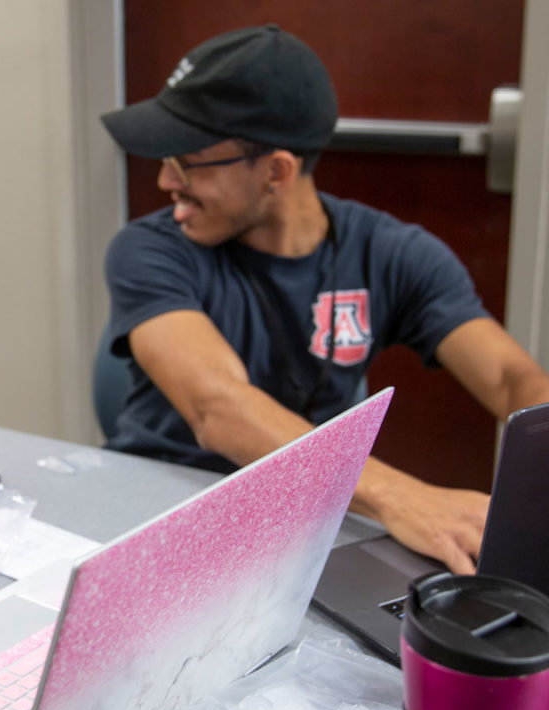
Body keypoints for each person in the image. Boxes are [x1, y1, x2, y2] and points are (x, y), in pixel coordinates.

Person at [99, 24, 549, 575]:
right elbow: (218, 407)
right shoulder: (148, 249)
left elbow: (511, 379)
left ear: (277, 171)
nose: (166, 181)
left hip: (307, 519)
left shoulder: (394, 252)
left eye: (186, 162)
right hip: (166, 508)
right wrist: (399, 496)